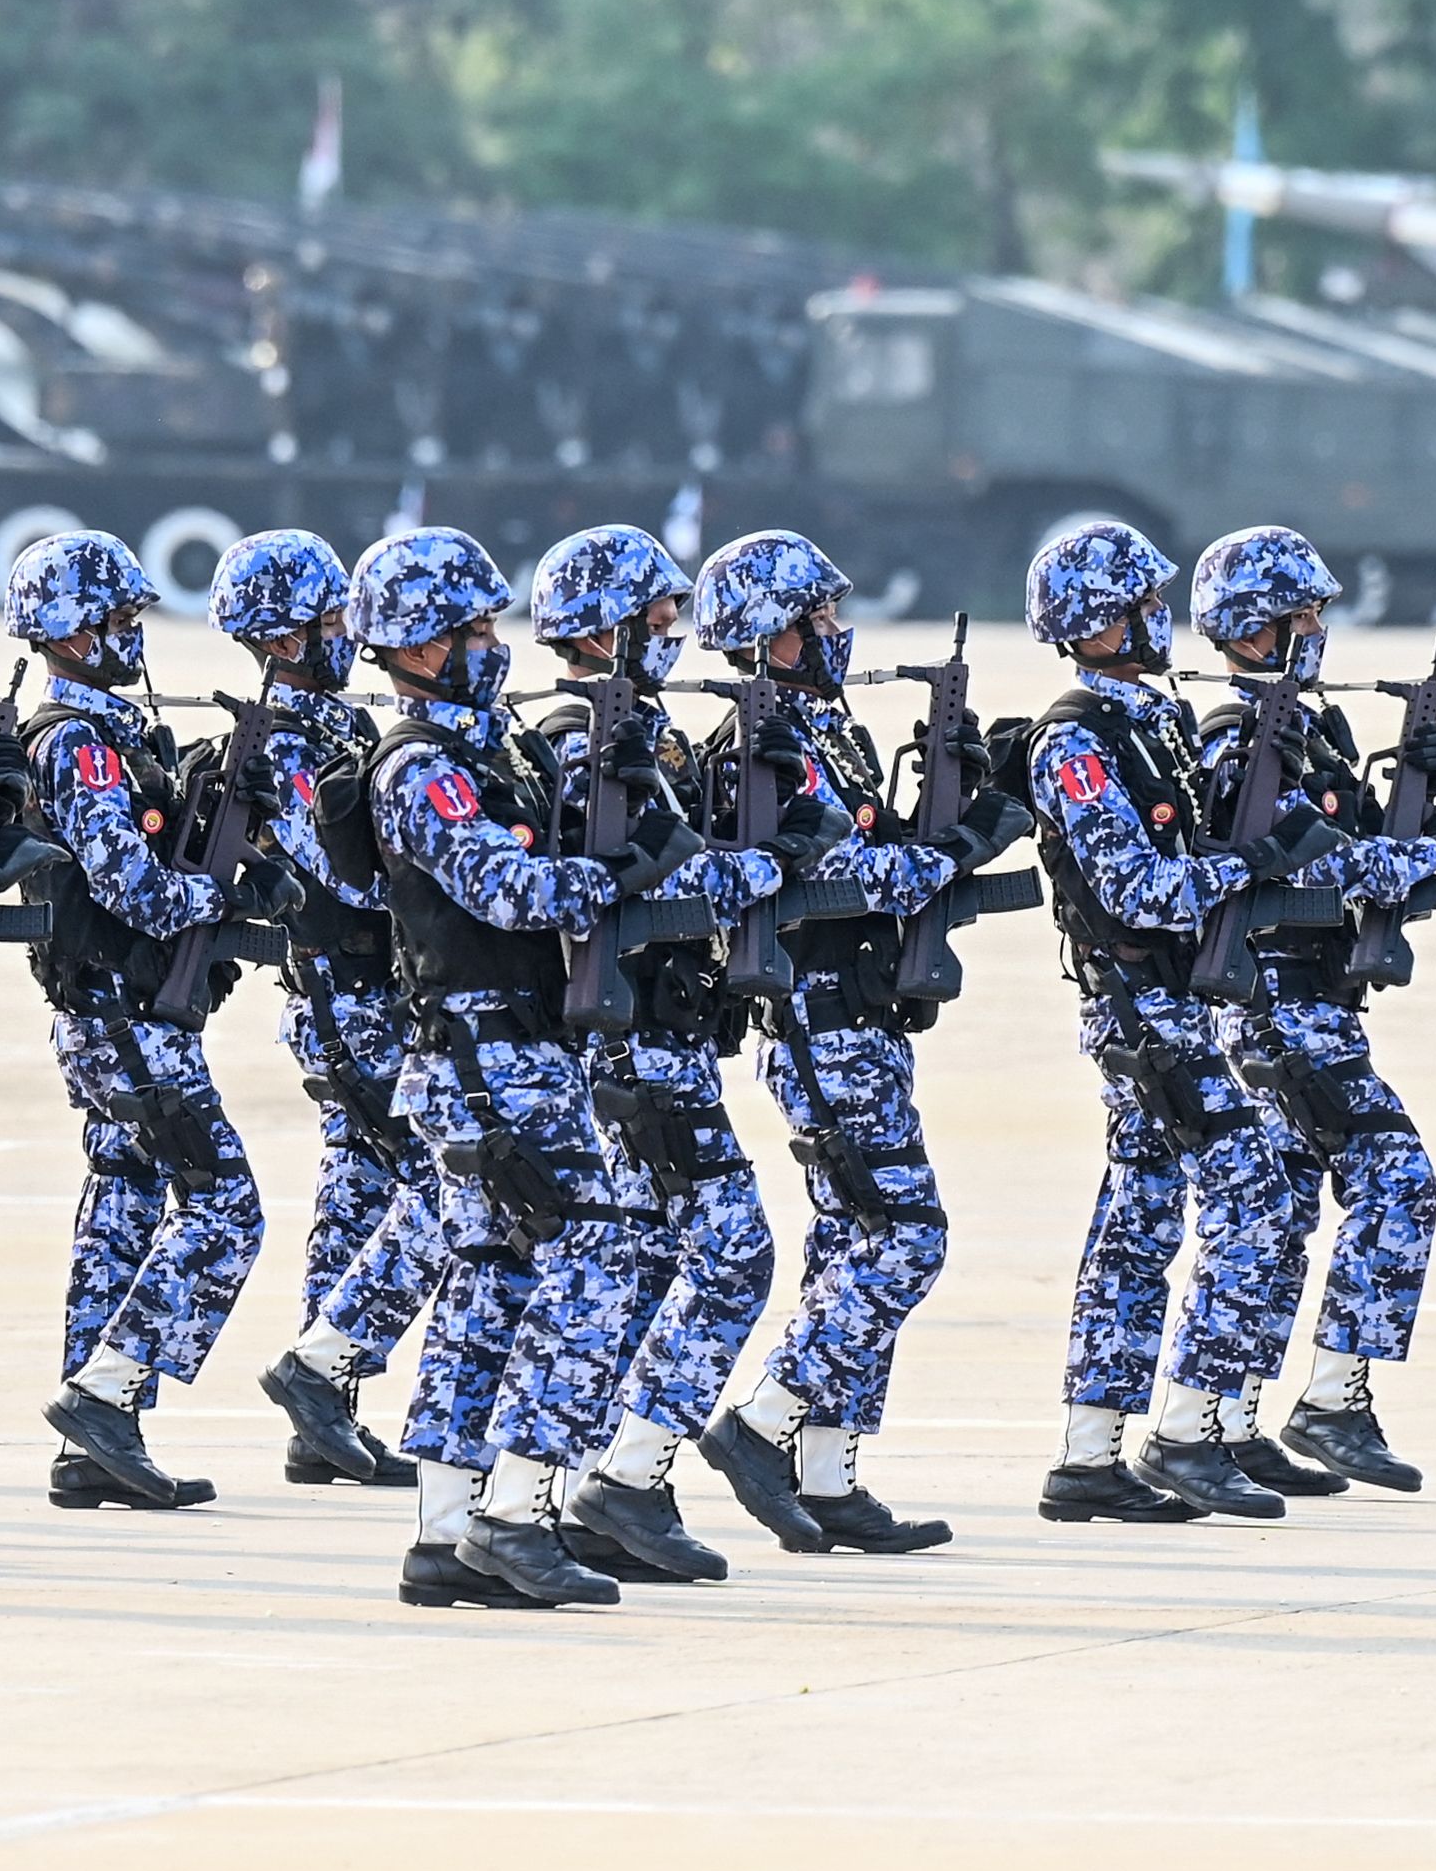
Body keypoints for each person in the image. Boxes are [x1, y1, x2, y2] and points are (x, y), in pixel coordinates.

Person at [343, 525, 656, 1609]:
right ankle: (517, 1512)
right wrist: (610, 873)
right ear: (416, 647)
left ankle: (444, 1533)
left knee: (489, 1284)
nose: (491, 644)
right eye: (468, 629)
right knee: (595, 1264)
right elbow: (501, 889)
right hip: (488, 1060)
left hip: (503, 1054)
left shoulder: (490, 748)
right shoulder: (418, 764)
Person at [527, 522, 823, 1582]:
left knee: (639, 1266)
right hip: (632, 1041)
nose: (669, 636)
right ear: (604, 629)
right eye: (652, 620)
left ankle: (578, 1489)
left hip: (659, 1035)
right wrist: (773, 859)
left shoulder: (629, 732)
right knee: (731, 1253)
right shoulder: (581, 738)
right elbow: (662, 880)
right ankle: (630, 1477)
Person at [693, 528, 992, 1554]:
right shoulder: (764, 743)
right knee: (909, 1233)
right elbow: (867, 872)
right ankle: (763, 1423)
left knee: (850, 1240)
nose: (832, 630)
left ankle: (829, 1471)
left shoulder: (823, 726)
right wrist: (969, 833)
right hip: (819, 1014)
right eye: (812, 617)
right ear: (765, 635)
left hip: (857, 1011)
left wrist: (953, 801)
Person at [1020, 518, 1307, 1527]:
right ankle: (1185, 1433)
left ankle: (1088, 1454)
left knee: (1138, 1224)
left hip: (1176, 1003)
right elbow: (1136, 888)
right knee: (1255, 1196)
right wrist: (1243, 864)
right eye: (1136, 605)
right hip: (1141, 1010)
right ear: (1093, 622)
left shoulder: (1149, 721)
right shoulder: (1076, 739)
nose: (1156, 619)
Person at [1186, 524, 1436, 1495]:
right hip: (1271, 1003)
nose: (1315, 629)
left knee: (1283, 1209)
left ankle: (1226, 1420)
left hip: (1317, 1003)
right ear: (1249, 627)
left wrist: (1420, 795)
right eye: (1297, 614)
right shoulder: (1232, 739)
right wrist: (1432, 839)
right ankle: (1334, 1401)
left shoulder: (1310, 731)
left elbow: (1359, 848)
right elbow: (1333, 859)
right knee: (1396, 1177)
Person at [10, 530, 284, 1510]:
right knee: (223, 1207)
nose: (134, 636)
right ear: (71, 634)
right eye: (118, 622)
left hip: (104, 1010)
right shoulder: (77, 741)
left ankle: (95, 1444)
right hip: (124, 1012)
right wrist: (230, 897)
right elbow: (128, 885)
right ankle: (104, 1394)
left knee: (123, 1204)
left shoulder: (112, 731)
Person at [216, 529, 436, 1498]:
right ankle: (325, 1365)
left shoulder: (338, 725)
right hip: (351, 995)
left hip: (371, 991)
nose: (348, 633)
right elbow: (340, 878)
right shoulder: (284, 742)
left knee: (356, 1189)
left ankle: (326, 1416)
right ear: (288, 635)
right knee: (436, 1181)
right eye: (331, 619)